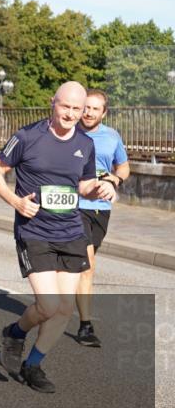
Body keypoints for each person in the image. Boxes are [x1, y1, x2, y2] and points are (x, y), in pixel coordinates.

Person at [0, 81, 116, 394]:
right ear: (53, 103)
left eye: (77, 109)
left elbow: (83, 185)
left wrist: (101, 186)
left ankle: (33, 364)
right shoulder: (27, 137)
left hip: (71, 231)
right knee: (48, 304)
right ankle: (15, 332)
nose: (71, 114)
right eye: (65, 107)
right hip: (35, 232)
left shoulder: (85, 143)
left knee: (64, 309)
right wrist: (16, 202)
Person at [75, 88, 129, 348]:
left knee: (82, 263)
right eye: (86, 107)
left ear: (103, 113)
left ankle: (59, 302)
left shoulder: (111, 136)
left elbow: (124, 166)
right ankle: (85, 326)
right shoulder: (69, 132)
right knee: (87, 263)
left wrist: (115, 179)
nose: (89, 112)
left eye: (95, 109)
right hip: (74, 206)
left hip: (101, 209)